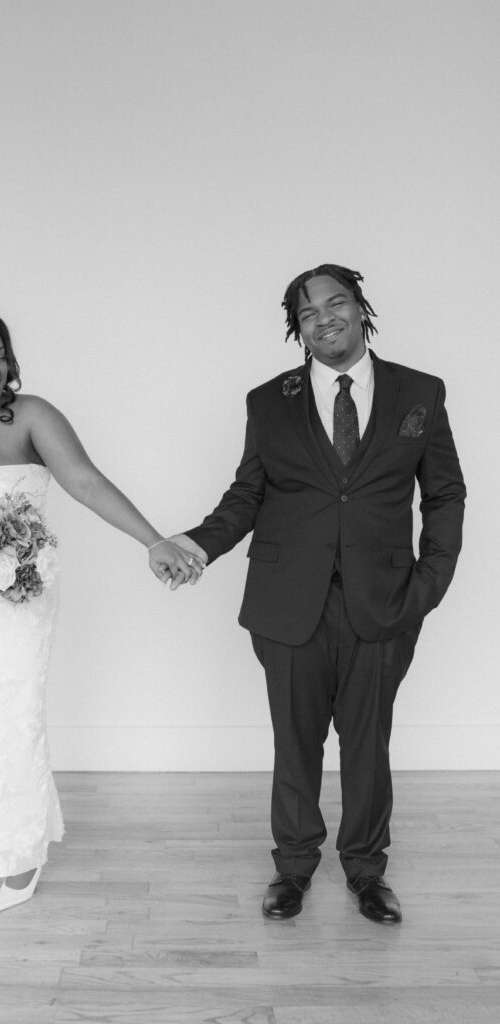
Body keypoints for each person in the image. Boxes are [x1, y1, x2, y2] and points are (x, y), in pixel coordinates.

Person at [0, 291, 202, 916]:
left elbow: (84, 481)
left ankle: (20, 849)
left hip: (20, 603)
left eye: (0, 354)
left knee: (14, 717)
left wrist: (153, 540)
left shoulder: (31, 416)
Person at [169, 264, 465, 923]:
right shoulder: (267, 401)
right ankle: (293, 869)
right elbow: (247, 494)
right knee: (294, 741)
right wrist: (197, 544)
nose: (323, 317)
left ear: (361, 309)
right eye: (306, 313)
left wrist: (429, 584)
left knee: (368, 741)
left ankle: (366, 871)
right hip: (286, 601)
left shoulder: (419, 392)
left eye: (336, 303)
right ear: (295, 329)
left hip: (384, 599)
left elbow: (443, 493)